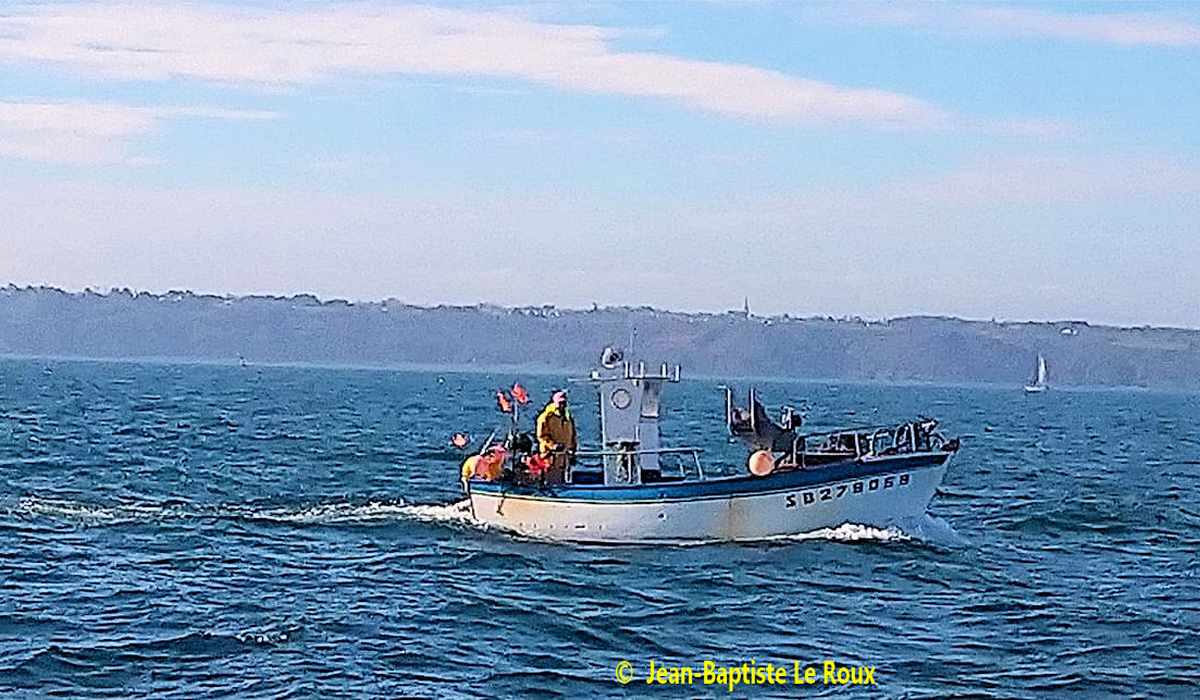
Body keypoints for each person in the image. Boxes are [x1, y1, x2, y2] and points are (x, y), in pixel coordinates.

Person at [536, 390, 577, 484]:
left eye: (564, 403)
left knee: (562, 481)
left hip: (564, 457)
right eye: (560, 403)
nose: (562, 405)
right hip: (550, 456)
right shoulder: (546, 417)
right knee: (551, 482)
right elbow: (541, 436)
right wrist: (552, 446)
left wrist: (573, 451)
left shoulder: (568, 418)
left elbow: (573, 436)